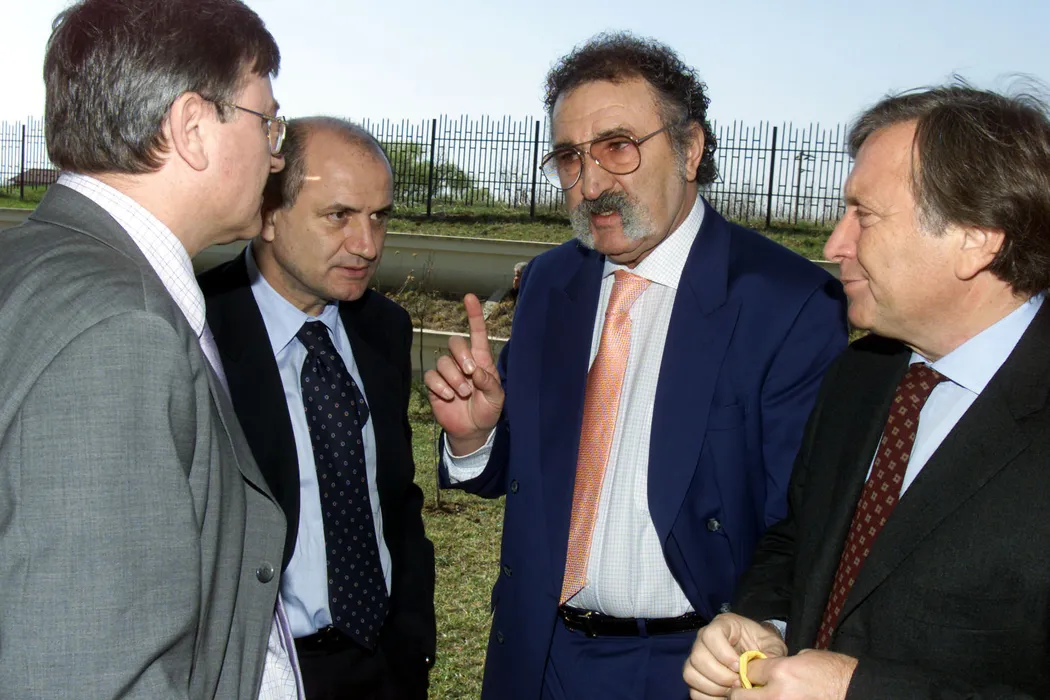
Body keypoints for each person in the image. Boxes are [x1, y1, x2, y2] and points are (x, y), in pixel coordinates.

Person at [424, 32, 848, 700]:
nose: (591, 183)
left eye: (618, 146)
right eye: (569, 156)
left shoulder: (788, 303)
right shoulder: (550, 284)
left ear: (690, 148)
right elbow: (527, 475)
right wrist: (477, 437)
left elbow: (803, 521)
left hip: (692, 669)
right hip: (538, 658)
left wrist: (758, 642)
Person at [683, 84, 1050, 700]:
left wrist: (857, 692)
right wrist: (764, 624)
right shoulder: (860, 374)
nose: (835, 245)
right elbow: (800, 538)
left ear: (977, 236)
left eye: (865, 215)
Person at [0, 1, 297, 698]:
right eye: (268, 123)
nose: (277, 155)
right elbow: (87, 674)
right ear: (192, 128)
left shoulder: (34, 263)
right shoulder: (120, 331)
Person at [199, 117, 436, 700]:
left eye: (379, 216)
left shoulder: (384, 327)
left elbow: (395, 498)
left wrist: (411, 637)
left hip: (385, 661)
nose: (368, 244)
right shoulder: (198, 329)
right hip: (260, 673)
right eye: (339, 216)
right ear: (269, 214)